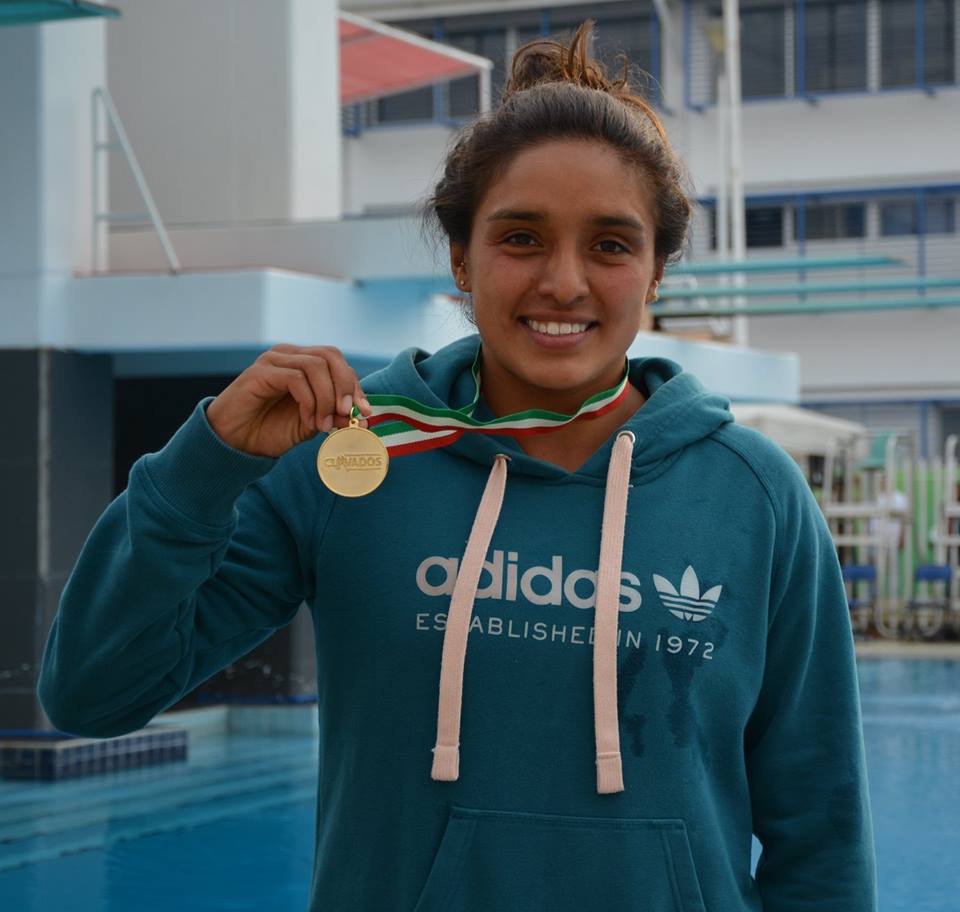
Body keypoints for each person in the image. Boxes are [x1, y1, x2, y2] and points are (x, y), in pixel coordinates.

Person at [37, 21, 877, 912]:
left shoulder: (754, 496)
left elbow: (820, 833)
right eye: (521, 238)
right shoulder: (349, 461)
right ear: (460, 259)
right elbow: (92, 696)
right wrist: (206, 463)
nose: (563, 282)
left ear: (656, 271)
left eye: (610, 244)